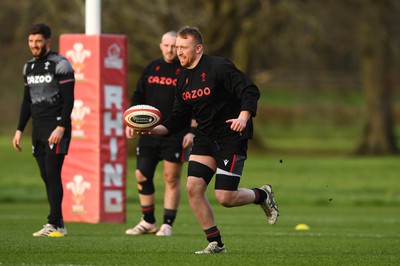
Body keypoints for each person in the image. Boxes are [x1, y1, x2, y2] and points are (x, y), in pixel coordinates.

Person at [140, 26, 279, 253]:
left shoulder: (218, 67)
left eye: (184, 48)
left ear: (198, 48)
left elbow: (250, 90)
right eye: (177, 48)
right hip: (205, 138)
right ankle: (216, 243)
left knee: (225, 197)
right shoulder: (182, 78)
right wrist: (157, 129)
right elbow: (179, 117)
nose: (179, 52)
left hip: (231, 136)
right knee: (193, 188)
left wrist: (243, 117)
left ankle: (262, 194)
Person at [125, 31, 195, 237]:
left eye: (175, 46)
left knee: (170, 178)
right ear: (160, 46)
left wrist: (192, 131)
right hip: (148, 132)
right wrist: (130, 121)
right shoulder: (152, 68)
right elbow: (138, 95)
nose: (170, 50)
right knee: (141, 174)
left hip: (176, 133)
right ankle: (148, 221)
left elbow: (194, 105)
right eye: (166, 45)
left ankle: (167, 224)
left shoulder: (186, 72)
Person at [12, 23, 75, 237]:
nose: (34, 45)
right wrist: (20, 129)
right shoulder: (28, 67)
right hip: (38, 129)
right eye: (31, 41)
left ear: (48, 41)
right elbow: (26, 101)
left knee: (52, 172)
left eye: (38, 41)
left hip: (57, 127)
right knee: (45, 175)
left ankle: (54, 224)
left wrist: (60, 127)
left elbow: (69, 100)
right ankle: (59, 223)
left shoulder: (61, 64)